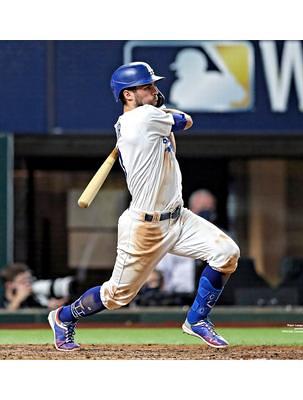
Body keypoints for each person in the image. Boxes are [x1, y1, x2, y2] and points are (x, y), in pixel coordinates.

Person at [48, 61, 240, 351]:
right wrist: (163, 110)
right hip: (145, 227)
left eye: (152, 85)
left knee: (227, 253)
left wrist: (157, 108)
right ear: (128, 95)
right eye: (146, 86)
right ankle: (62, 317)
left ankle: (197, 319)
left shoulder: (137, 119)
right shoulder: (144, 118)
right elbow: (186, 120)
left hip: (179, 217)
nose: (154, 90)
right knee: (117, 296)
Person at [1, 263, 73, 311]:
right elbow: (6, 315)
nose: (28, 284)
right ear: (10, 285)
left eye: (29, 280)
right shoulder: (2, 300)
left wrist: (52, 306)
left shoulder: (33, 297)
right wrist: (18, 299)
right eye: (22, 281)